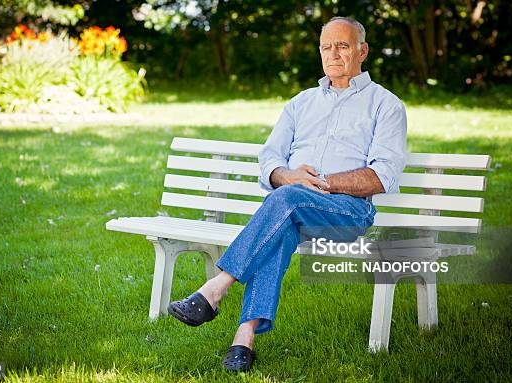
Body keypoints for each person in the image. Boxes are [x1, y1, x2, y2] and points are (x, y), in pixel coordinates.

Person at [167, 16, 407, 372]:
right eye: (327, 47)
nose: (333, 54)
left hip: (346, 213)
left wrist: (321, 182)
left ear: (363, 51)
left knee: (286, 200)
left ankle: (216, 288)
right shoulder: (301, 103)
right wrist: (288, 175)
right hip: (291, 210)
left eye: (342, 46)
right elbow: (270, 159)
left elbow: (381, 176)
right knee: (282, 220)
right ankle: (243, 339)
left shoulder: (385, 105)